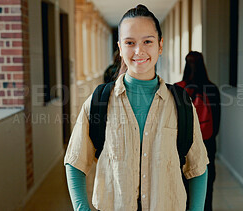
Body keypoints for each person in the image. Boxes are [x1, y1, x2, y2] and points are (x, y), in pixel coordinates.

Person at [64, 5, 209, 211]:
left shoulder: (181, 103)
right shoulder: (99, 101)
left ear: (160, 45)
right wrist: (82, 208)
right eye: (130, 42)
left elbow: (197, 167)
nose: (139, 51)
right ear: (120, 48)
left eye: (147, 41)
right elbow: (75, 161)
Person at [176, 51, 221, 211]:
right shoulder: (212, 89)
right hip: (207, 143)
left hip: (183, 146)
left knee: (183, 184)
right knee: (206, 185)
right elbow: (216, 123)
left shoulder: (177, 89)